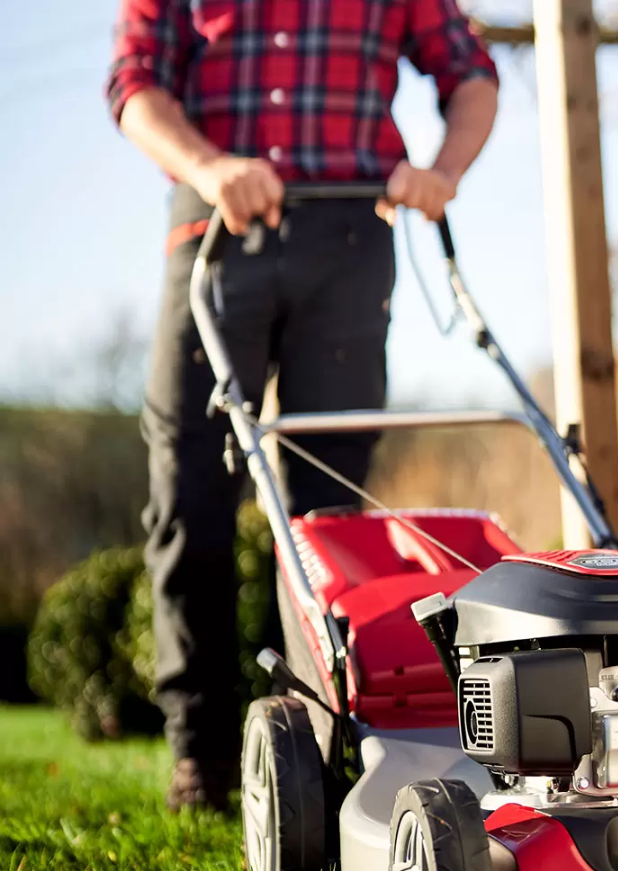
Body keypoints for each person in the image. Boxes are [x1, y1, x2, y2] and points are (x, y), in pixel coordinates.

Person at [106, 0, 498, 811]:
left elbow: (472, 76)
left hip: (350, 240)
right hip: (215, 234)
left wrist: (442, 172)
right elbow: (134, 84)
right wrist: (212, 166)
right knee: (188, 490)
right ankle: (203, 755)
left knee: (328, 517)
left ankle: (327, 744)